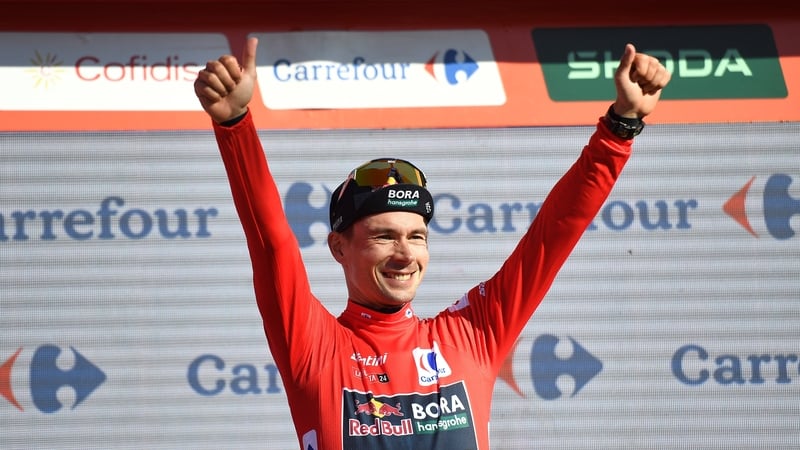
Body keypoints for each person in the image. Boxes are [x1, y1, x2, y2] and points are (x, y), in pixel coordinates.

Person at [194, 37, 670, 450]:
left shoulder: (472, 333)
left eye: (417, 236)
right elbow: (272, 243)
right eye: (384, 236)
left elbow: (556, 231)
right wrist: (235, 125)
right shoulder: (314, 346)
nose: (405, 254)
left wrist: (621, 125)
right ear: (339, 248)